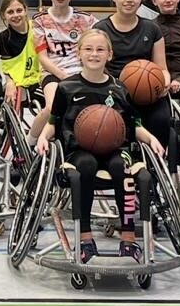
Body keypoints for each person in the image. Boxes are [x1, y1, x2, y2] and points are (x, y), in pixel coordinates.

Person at [36, 29, 166, 264]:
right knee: (86, 165)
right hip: (79, 150)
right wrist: (44, 137)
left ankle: (129, 237)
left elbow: (135, 125)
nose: (94, 54)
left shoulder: (120, 89)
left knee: (121, 167)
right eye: (88, 49)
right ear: (78, 53)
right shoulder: (66, 87)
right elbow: (53, 122)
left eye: (100, 50)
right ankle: (85, 237)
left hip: (116, 149)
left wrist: (151, 139)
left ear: (109, 54)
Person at [92, 0, 173, 155]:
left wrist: (164, 82)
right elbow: (95, 71)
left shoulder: (152, 29)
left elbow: (162, 69)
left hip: (147, 90)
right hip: (114, 91)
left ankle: (155, 163)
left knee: (161, 119)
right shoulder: (101, 30)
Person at [27, 0, 97, 141]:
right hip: (52, 73)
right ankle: (31, 141)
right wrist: (64, 76)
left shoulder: (85, 19)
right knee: (52, 107)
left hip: (81, 72)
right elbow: (43, 58)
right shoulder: (40, 20)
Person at [0, 0, 41, 112]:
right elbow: (7, 68)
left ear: (25, 10)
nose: (15, 15)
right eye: (10, 12)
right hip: (19, 82)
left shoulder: (37, 28)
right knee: (5, 97)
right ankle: (8, 123)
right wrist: (9, 83)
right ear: (4, 15)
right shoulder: (4, 37)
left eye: (19, 10)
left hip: (40, 79)